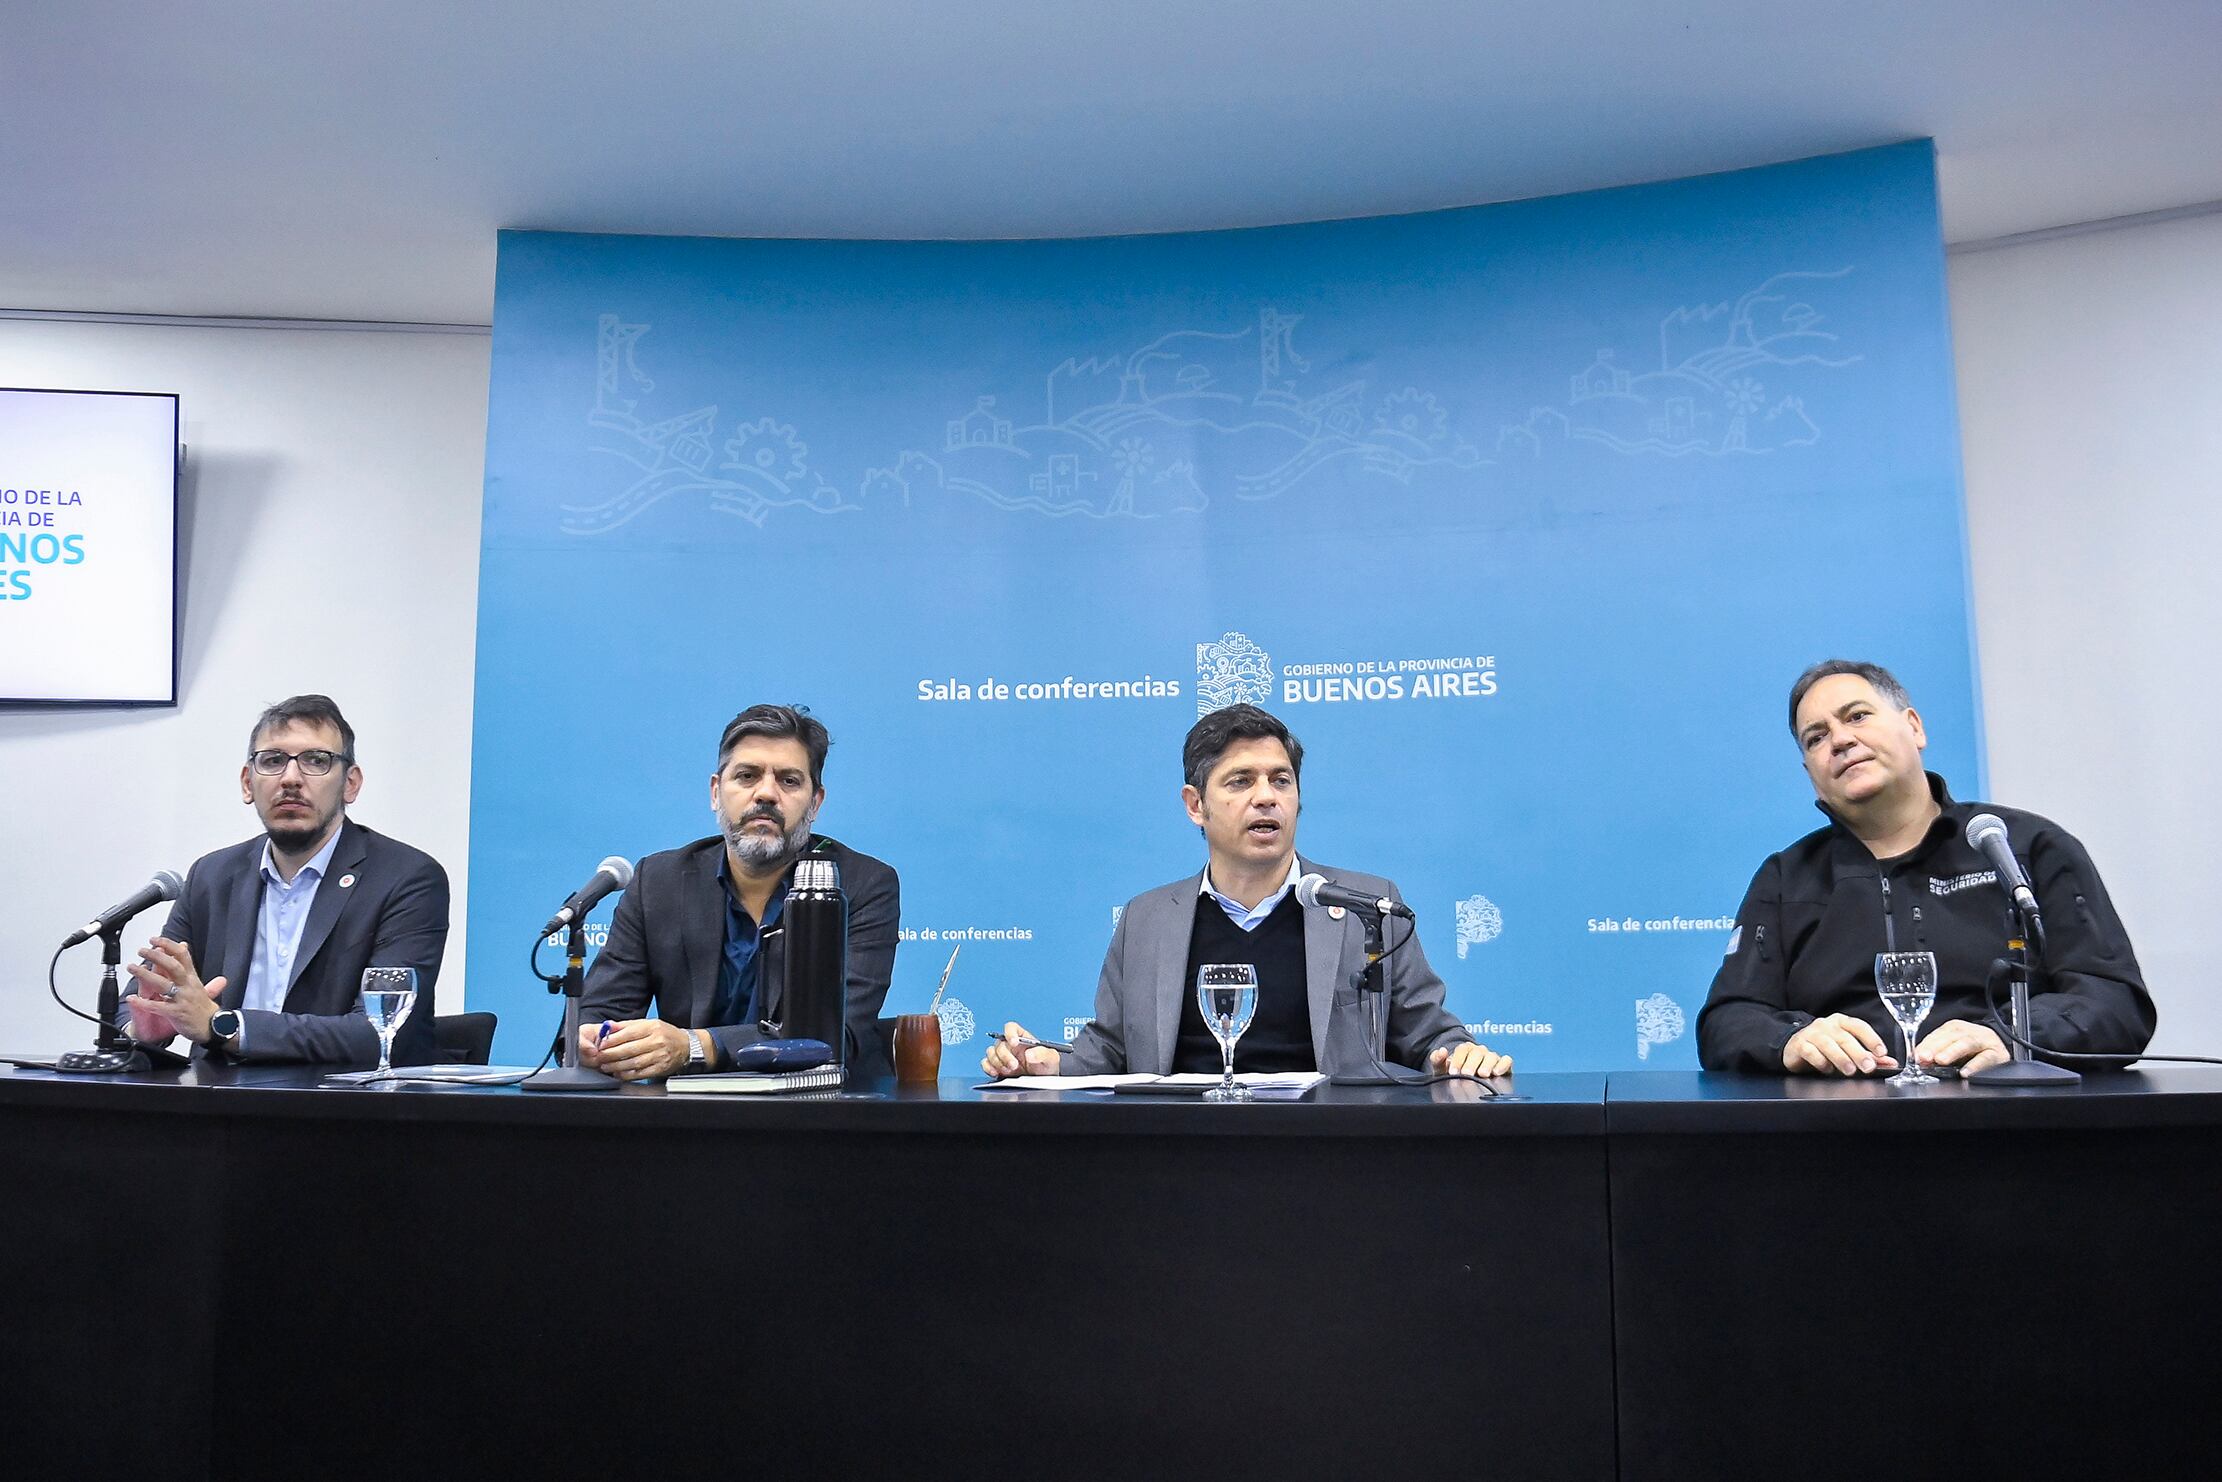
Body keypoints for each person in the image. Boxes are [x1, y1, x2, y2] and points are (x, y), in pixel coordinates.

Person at [983, 703, 1510, 1081]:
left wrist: (1458, 1054)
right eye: (1240, 782)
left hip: (1331, 1154)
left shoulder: (1365, 908)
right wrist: (1043, 1061)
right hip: (1175, 1159)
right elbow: (1110, 1049)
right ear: (1195, 805)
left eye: (1281, 780)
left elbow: (1429, 1036)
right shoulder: (1147, 918)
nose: (1266, 797)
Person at [1698, 660, 2153, 1075]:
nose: (1840, 739)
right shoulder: (1786, 877)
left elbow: (2115, 1003)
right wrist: (1791, 1039)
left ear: (1913, 727)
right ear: (1809, 770)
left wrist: (2013, 1035)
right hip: (1840, 1132)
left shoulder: (2023, 847)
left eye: (1857, 716)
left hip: (2008, 1125)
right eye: (1816, 737)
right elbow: (1727, 1020)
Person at [121, 694, 450, 1064]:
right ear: (248, 783)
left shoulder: (406, 878)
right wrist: (142, 1028)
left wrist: (223, 1025)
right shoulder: (212, 877)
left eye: (316, 761)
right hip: (217, 1106)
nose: (291, 778)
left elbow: (383, 1034)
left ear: (350, 784)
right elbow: (138, 1001)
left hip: (342, 1109)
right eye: (273, 761)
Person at [578, 704, 899, 1080]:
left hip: (819, 1114)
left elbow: (833, 1037)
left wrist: (694, 1047)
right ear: (716, 792)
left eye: (789, 781)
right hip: (684, 1118)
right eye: (747, 776)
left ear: (815, 803)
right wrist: (594, 1040)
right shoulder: (658, 881)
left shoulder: (861, 884)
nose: (766, 794)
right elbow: (599, 1015)